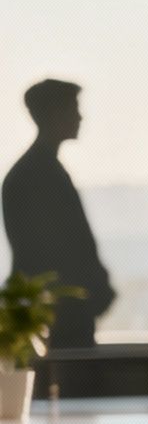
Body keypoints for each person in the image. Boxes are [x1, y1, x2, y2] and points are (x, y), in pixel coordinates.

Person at [3, 79, 116, 347]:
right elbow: (55, 249)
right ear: (54, 113)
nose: (80, 116)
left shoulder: (32, 172)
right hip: (59, 311)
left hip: (53, 308)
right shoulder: (39, 174)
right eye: (73, 108)